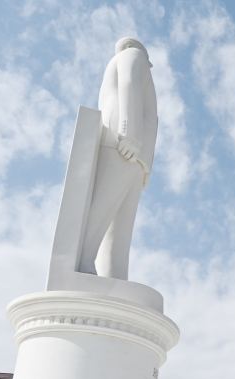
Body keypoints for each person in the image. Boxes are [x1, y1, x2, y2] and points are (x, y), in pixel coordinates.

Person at [79, 37, 159, 280]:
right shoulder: (132, 55)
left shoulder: (128, 60)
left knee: (120, 227)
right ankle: (81, 264)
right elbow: (128, 83)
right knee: (104, 208)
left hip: (136, 155)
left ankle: (114, 277)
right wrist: (129, 132)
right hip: (124, 143)